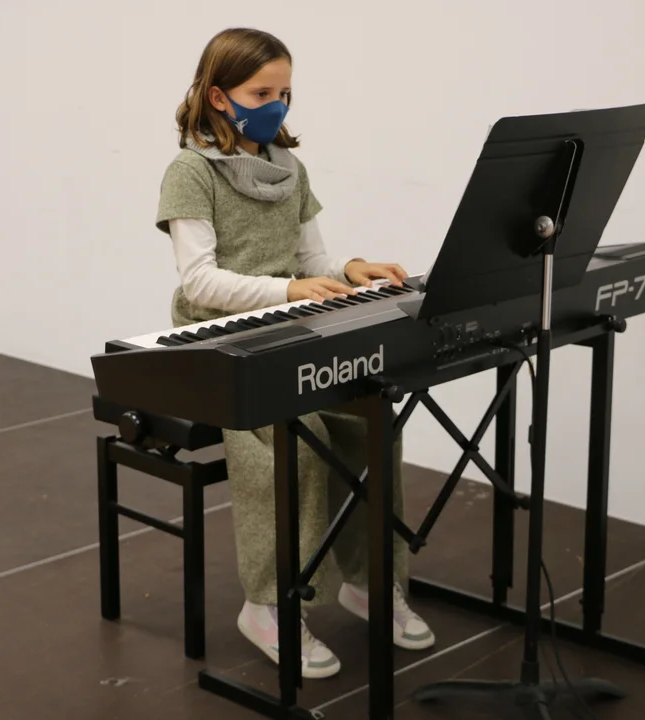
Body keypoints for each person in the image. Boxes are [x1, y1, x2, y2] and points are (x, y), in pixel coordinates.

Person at [155, 27, 435, 679]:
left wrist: (350, 269)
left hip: (292, 327)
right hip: (223, 342)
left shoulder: (290, 168)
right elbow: (199, 283)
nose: (277, 105)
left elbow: (311, 263)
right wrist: (287, 289)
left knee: (372, 426)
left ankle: (369, 583)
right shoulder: (190, 172)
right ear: (219, 97)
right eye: (262, 93)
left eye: (285, 93)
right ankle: (269, 605)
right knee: (296, 444)